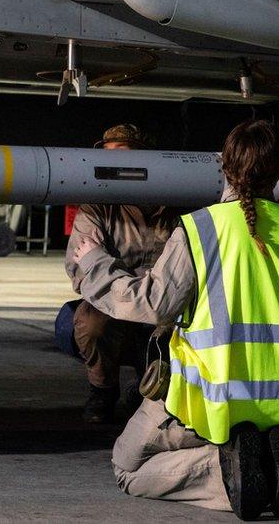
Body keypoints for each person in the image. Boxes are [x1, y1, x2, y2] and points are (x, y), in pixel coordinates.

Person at [73, 119, 279, 520]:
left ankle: (227, 471)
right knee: (239, 431)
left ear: (225, 167)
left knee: (127, 467)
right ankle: (258, 456)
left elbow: (152, 304)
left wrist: (93, 263)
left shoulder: (200, 229)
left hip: (209, 399)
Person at [65, 123, 180, 424]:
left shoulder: (177, 206)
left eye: (123, 155)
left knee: (161, 402)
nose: (113, 164)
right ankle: (102, 388)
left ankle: (147, 389)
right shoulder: (97, 208)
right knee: (90, 322)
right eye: (108, 156)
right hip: (115, 309)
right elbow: (79, 270)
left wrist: (105, 265)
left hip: (163, 313)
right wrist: (135, 290)